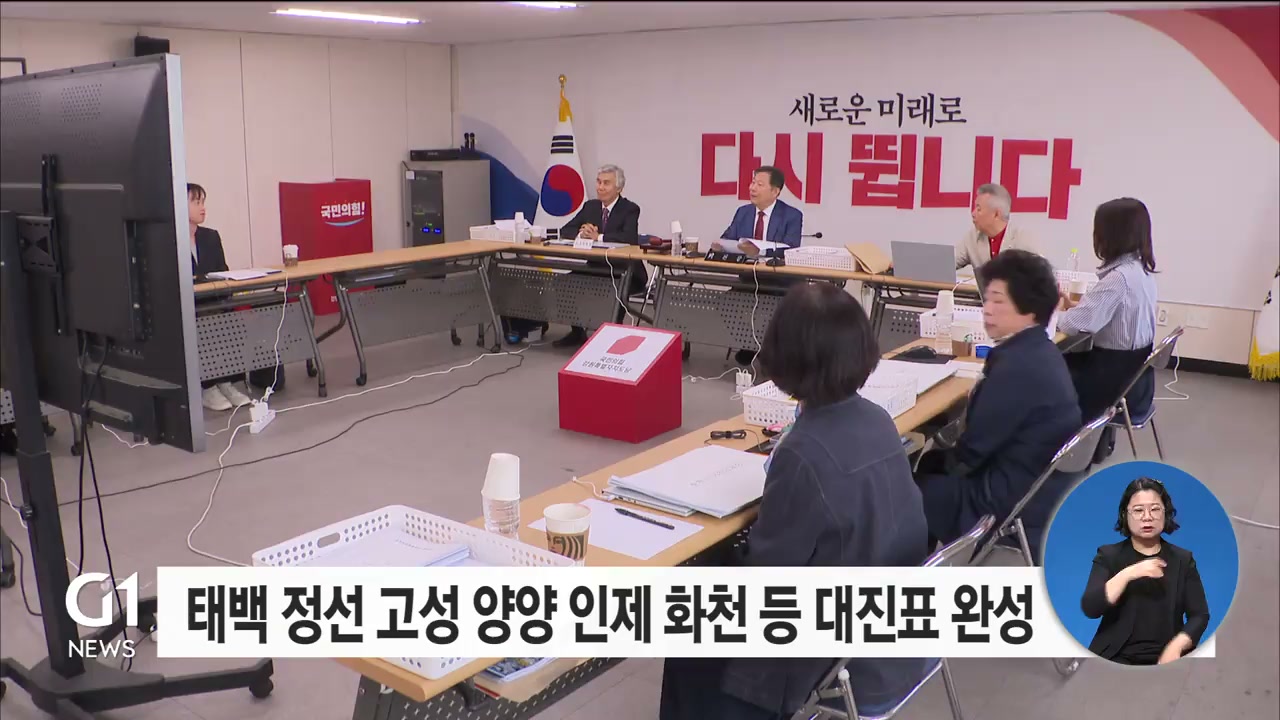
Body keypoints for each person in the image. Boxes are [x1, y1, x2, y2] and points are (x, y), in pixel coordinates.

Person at [660, 282, 933, 719]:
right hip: (894, 634)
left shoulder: (803, 454)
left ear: (785, 354)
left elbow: (767, 578)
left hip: (835, 653)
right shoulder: (877, 418)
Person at [915, 249, 1081, 554]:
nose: (987, 310)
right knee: (929, 464)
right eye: (987, 299)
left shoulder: (1016, 366)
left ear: (1029, 309)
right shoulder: (1040, 351)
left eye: (998, 301)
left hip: (1000, 500)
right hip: (1037, 488)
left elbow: (972, 451)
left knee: (907, 487)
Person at [1057, 198, 1159, 461]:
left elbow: (1074, 324)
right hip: (1133, 377)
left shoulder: (1117, 279)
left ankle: (1054, 449)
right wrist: (1077, 308)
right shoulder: (1141, 272)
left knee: (1043, 372)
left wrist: (1046, 314)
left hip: (1110, 379)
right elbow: (1103, 314)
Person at [1081, 477, 1209, 665]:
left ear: (1166, 513)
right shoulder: (1108, 555)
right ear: (1125, 514)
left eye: (1155, 509)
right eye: (1138, 510)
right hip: (1116, 656)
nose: (1147, 517)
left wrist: (1176, 646)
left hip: (1168, 656)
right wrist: (1129, 573)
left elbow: (1199, 615)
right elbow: (1091, 608)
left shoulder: (1183, 559)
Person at [188, 183, 279, 411]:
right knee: (208, 321)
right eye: (196, 202)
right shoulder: (170, 241)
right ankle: (208, 386)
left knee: (233, 317)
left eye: (203, 202)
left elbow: (223, 271)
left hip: (214, 300)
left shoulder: (210, 237)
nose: (202, 207)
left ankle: (226, 382)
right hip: (189, 306)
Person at [714, 166, 804, 367]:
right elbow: (729, 238)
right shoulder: (743, 212)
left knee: (777, 308)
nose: (752, 188)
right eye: (753, 182)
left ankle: (768, 348)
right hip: (750, 279)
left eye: (759, 184)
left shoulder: (792, 215)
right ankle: (750, 344)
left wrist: (760, 250)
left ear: (775, 191)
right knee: (724, 302)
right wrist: (721, 245)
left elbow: (791, 248)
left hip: (780, 282)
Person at [547, 164, 644, 348]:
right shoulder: (590, 207)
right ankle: (577, 332)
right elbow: (565, 230)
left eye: (606, 183)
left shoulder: (630, 209)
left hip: (625, 272)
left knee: (616, 288)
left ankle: (613, 335)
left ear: (619, 188)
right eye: (598, 182)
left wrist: (598, 237)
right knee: (563, 283)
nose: (600, 187)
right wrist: (581, 232)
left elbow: (629, 238)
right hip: (596, 268)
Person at [955, 183, 1039, 271]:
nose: (973, 213)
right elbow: (950, 262)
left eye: (979, 209)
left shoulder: (1022, 239)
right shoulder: (972, 237)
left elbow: (1040, 274)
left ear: (996, 214)